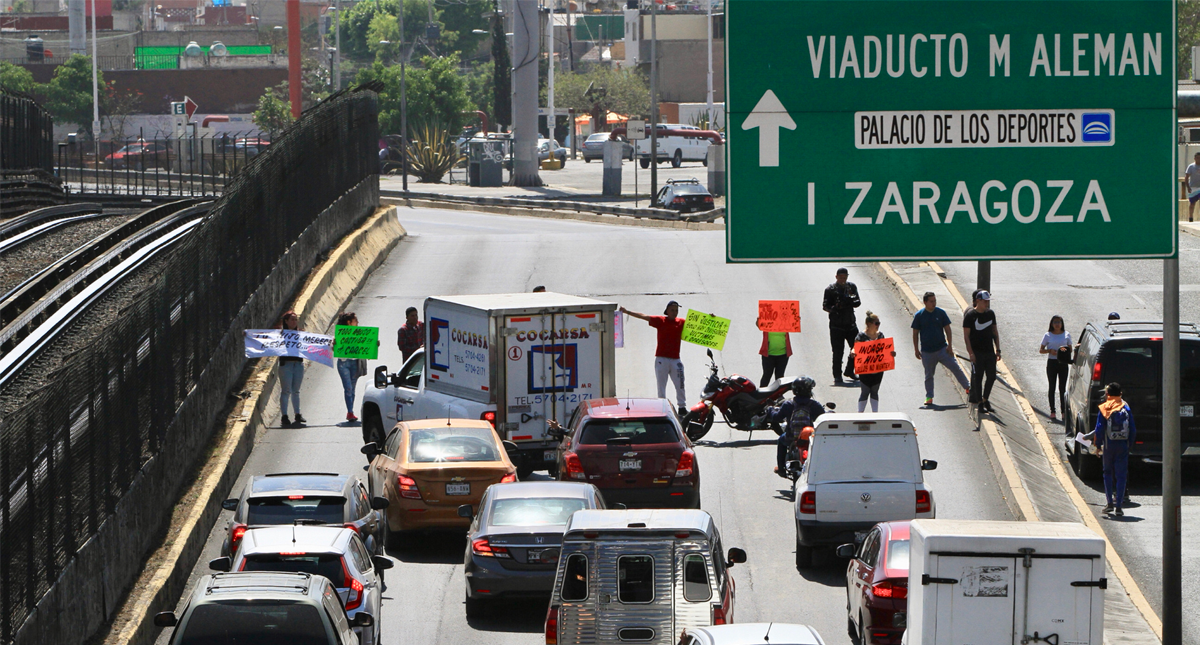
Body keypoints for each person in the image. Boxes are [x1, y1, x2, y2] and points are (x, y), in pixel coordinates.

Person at [621, 301, 687, 415]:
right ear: (667, 311)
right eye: (672, 310)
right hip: (662, 359)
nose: (674, 312)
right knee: (661, 386)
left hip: (675, 359)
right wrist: (627, 312)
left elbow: (698, 326)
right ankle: (662, 407)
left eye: (676, 310)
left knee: (680, 384)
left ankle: (682, 407)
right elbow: (643, 316)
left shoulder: (681, 322)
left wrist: (711, 319)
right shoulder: (660, 320)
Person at [911, 292, 970, 406]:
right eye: (931, 301)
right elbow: (915, 333)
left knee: (955, 367)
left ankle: (967, 387)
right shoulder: (919, 315)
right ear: (925, 302)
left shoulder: (940, 313)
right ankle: (929, 397)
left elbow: (947, 329)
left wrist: (950, 345)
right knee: (929, 375)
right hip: (927, 352)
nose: (934, 303)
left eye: (935, 301)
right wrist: (916, 349)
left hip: (942, 349)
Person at [764, 376, 825, 477]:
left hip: (791, 436)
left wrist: (770, 409)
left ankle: (781, 468)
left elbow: (777, 417)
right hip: (810, 437)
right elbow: (823, 417)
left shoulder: (788, 404)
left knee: (781, 441)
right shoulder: (814, 405)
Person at [1093, 382, 1135, 516]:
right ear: (1120, 394)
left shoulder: (1104, 408)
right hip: (1122, 445)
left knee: (1107, 472)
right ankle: (1119, 506)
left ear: (1107, 394)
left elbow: (1099, 429)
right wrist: (1129, 445)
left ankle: (1109, 503)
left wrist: (1097, 446)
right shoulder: (1125, 408)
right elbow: (1133, 429)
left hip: (1109, 445)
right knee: (1121, 475)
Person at [963, 291, 1001, 413]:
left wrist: (998, 349)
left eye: (988, 301)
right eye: (985, 301)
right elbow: (966, 336)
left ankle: (985, 399)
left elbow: (995, 331)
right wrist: (970, 353)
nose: (986, 304)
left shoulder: (990, 314)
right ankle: (979, 402)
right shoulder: (970, 316)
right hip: (977, 352)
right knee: (978, 378)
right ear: (978, 300)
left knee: (991, 376)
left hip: (989, 351)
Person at [822, 267, 861, 383]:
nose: (843, 280)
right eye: (840, 277)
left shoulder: (851, 287)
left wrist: (850, 301)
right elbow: (825, 306)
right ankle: (837, 375)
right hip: (836, 326)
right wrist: (836, 307)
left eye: (845, 277)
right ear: (836, 277)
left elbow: (858, 302)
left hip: (850, 324)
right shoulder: (830, 289)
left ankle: (849, 370)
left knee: (858, 348)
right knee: (838, 352)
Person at [854, 311, 895, 412]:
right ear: (869, 324)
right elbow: (855, 348)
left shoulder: (880, 336)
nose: (878, 325)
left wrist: (891, 353)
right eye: (876, 323)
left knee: (874, 391)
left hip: (878, 369)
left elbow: (885, 350)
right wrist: (853, 352)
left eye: (879, 323)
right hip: (865, 368)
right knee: (865, 391)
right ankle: (860, 413)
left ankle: (875, 413)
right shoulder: (861, 336)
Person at [335, 312, 368, 423]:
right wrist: (334, 344)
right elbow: (332, 347)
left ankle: (351, 411)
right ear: (349, 322)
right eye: (355, 320)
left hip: (355, 363)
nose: (357, 322)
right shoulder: (340, 333)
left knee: (352, 389)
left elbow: (366, 345)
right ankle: (350, 411)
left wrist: (373, 344)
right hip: (343, 363)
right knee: (348, 388)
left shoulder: (359, 334)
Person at [275, 310, 306, 427]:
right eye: (292, 319)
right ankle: (284, 416)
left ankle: (297, 414)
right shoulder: (280, 334)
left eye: (295, 320)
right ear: (286, 321)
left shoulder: (301, 334)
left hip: (298, 364)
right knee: (286, 390)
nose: (294, 322)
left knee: (296, 390)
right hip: (286, 365)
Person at [1040, 315, 1072, 422]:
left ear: (1062, 324)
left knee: (1062, 388)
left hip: (1063, 363)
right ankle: (1052, 411)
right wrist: (1050, 351)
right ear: (1052, 324)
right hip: (1052, 363)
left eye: (1059, 322)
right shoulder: (1047, 335)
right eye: (1055, 322)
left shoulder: (1066, 334)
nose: (1057, 324)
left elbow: (1070, 349)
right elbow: (1041, 350)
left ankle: (1063, 412)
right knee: (1052, 387)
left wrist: (1063, 352)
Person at [757, 321, 792, 387]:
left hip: (783, 355)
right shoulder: (767, 323)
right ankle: (761, 391)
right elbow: (759, 324)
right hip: (768, 355)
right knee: (767, 375)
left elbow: (793, 323)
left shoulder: (785, 323)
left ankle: (779, 393)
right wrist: (760, 319)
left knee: (780, 377)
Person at [1184, 152, 1200, 222]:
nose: (1199, 159)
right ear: (1194, 158)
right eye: (1197, 158)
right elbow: (1186, 177)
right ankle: (1190, 217)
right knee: (1192, 203)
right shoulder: (1191, 166)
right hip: (1193, 187)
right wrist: (1188, 187)